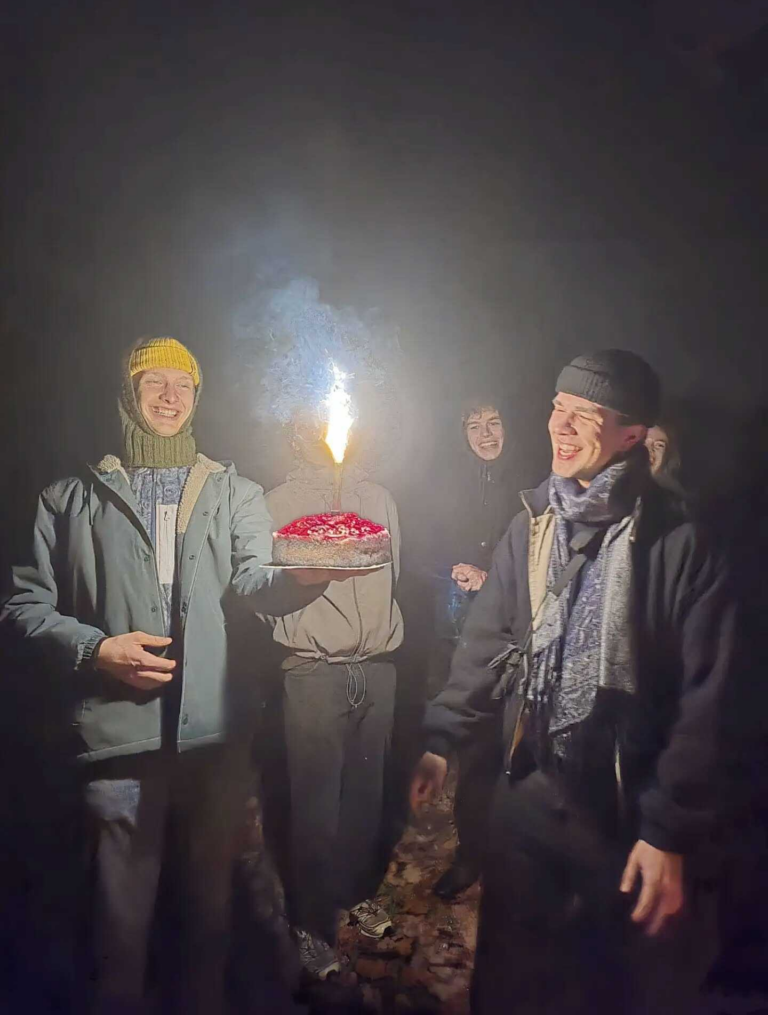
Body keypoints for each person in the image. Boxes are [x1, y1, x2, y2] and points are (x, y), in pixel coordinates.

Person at [1, 338, 349, 1015]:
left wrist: (306, 576)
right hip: (118, 741)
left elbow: (255, 581)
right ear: (127, 394)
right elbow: (22, 608)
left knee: (207, 922)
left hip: (213, 741)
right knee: (118, 930)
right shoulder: (69, 499)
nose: (169, 396)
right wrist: (97, 650)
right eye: (153, 381)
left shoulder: (233, 491)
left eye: (183, 385)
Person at [410, 349, 735, 1015]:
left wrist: (667, 829)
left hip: (621, 810)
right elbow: (488, 642)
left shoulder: (680, 544)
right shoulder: (531, 526)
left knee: (606, 986)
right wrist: (443, 738)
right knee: (509, 980)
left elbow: (707, 704)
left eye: (585, 415)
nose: (559, 425)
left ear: (632, 434)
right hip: (528, 792)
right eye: (558, 407)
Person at [261, 410, 403, 981]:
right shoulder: (277, 504)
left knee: (366, 799)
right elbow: (263, 594)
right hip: (313, 671)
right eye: (310, 428)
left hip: (377, 669)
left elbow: (394, 573)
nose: (324, 436)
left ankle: (354, 892)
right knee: (315, 807)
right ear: (297, 435)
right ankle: (312, 923)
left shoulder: (381, 498)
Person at [427, 400, 523, 900]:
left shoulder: (530, 484)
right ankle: (471, 854)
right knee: (477, 750)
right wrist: (453, 569)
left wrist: (494, 578)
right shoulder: (447, 484)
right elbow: (427, 549)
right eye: (474, 425)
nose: (486, 434)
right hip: (467, 633)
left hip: (520, 636)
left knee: (519, 751)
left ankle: (517, 857)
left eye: (495, 422)